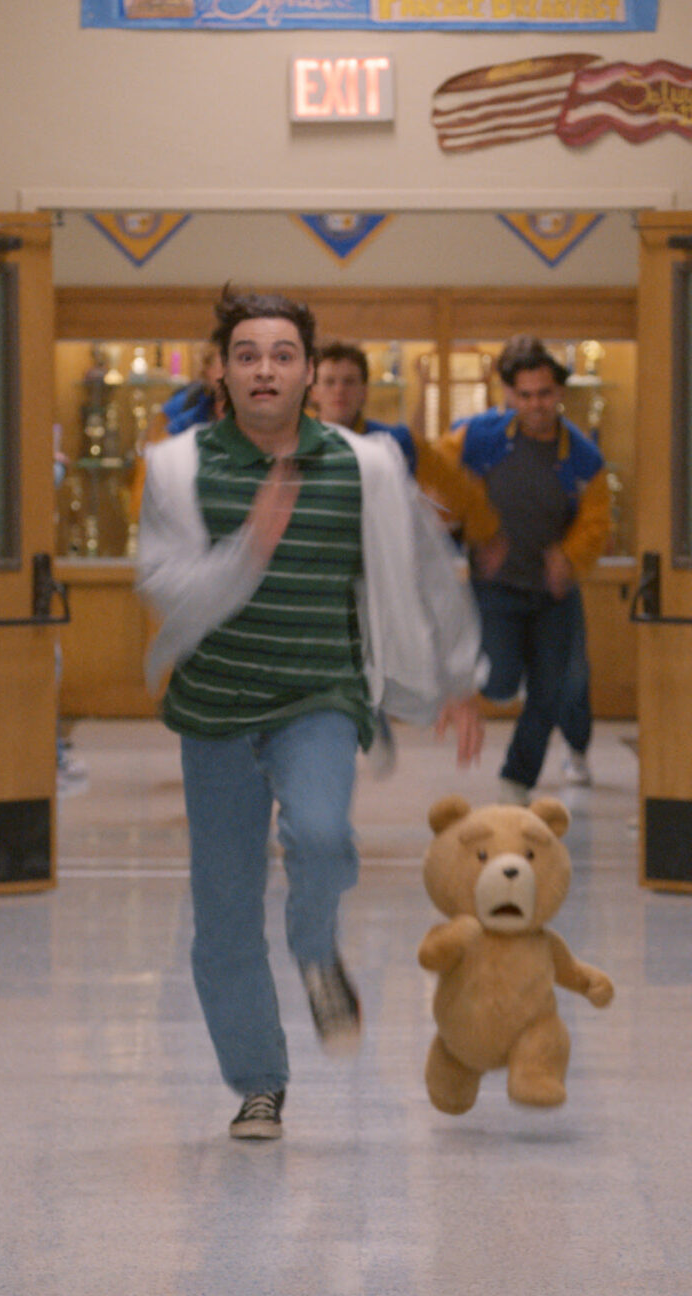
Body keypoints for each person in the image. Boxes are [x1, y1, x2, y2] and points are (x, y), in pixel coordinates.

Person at [138, 287, 484, 1142]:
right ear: (221, 372)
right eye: (247, 354)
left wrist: (457, 675)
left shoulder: (366, 465)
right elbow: (165, 586)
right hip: (215, 709)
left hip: (319, 697)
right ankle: (259, 1082)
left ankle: (315, 947)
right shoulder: (176, 468)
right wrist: (248, 548)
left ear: (308, 373)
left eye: (283, 355)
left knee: (323, 839)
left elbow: (427, 566)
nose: (265, 369)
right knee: (224, 914)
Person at [423, 337, 610, 801]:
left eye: (544, 394)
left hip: (554, 592)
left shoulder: (584, 458)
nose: (535, 405)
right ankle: (528, 677)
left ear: (559, 392)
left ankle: (516, 779)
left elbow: (596, 524)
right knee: (501, 681)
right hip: (495, 587)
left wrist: (568, 558)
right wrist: (457, 525)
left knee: (560, 686)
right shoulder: (476, 437)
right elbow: (436, 478)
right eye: (524, 395)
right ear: (508, 394)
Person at [309, 339, 416, 469]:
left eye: (349, 382)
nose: (339, 390)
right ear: (313, 392)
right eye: (329, 382)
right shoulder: (297, 443)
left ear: (364, 391)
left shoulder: (394, 442)